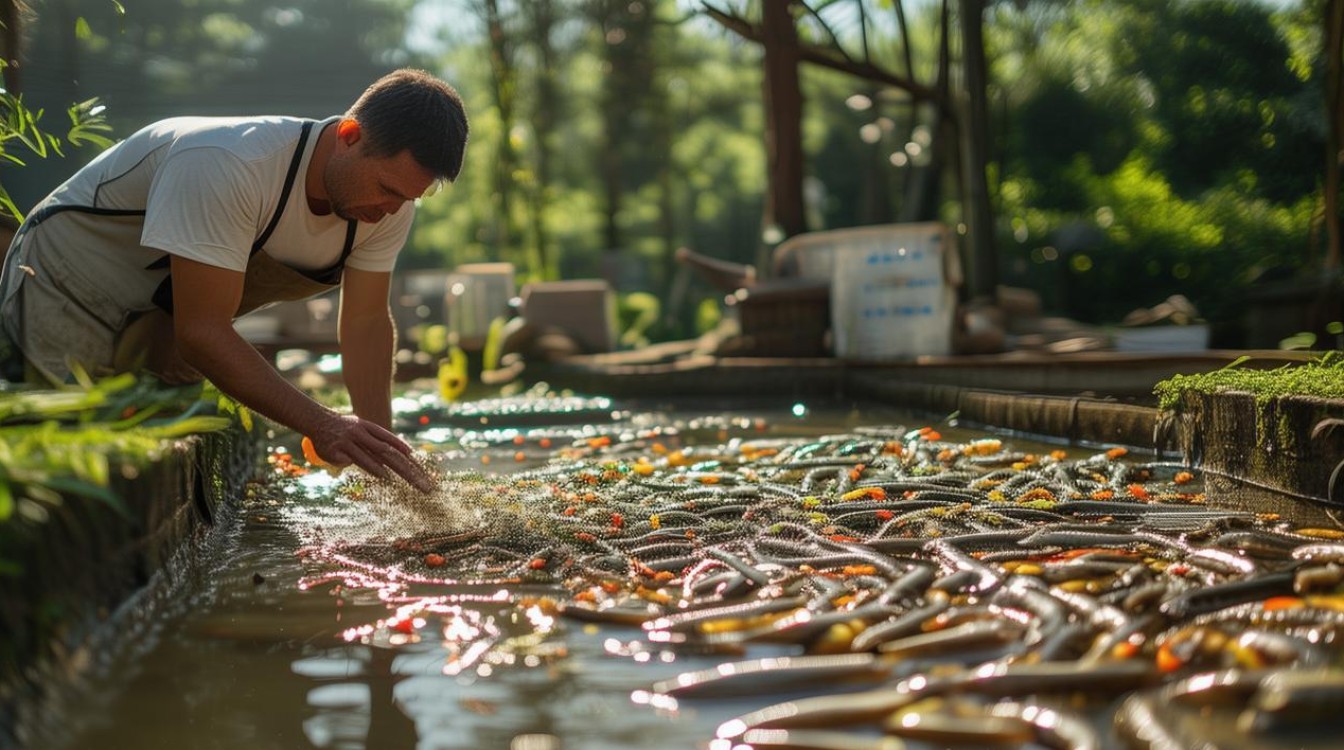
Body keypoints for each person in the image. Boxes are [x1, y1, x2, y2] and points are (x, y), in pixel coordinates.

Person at [0, 68, 469, 492]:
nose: (391, 210)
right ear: (349, 135)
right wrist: (324, 424)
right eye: (388, 189)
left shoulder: (388, 205)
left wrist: (381, 460)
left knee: (142, 447)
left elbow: (366, 322)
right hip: (63, 280)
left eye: (409, 199)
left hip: (156, 314)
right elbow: (202, 331)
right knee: (66, 462)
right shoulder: (228, 162)